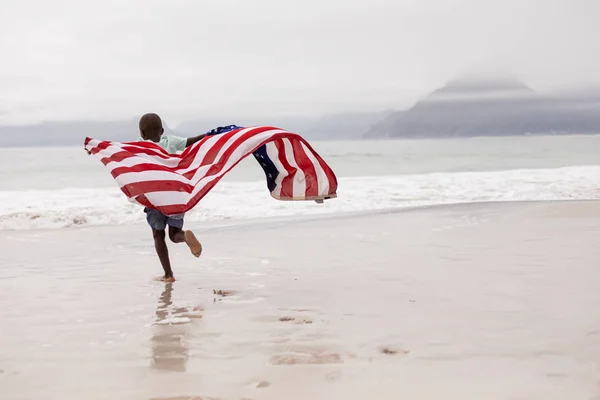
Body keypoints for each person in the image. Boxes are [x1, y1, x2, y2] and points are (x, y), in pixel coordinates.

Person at [138, 113, 205, 282]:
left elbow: (118, 152)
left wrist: (95, 148)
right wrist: (209, 135)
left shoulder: (140, 147)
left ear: (142, 134)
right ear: (161, 130)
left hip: (154, 198)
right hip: (175, 195)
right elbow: (193, 141)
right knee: (174, 234)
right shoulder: (172, 141)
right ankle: (185, 236)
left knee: (158, 235)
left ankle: (168, 275)